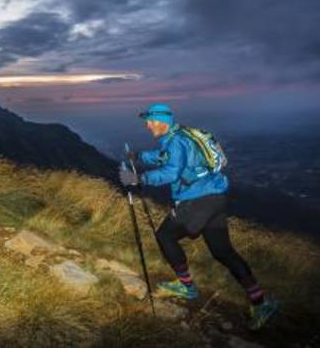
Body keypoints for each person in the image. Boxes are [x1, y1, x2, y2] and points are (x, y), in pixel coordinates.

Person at [118, 103, 278, 330]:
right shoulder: (181, 134)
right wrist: (139, 156)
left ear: (162, 121)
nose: (147, 125)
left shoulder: (175, 141)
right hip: (216, 198)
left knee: (165, 236)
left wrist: (139, 180)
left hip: (197, 201)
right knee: (223, 252)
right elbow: (166, 157)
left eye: (150, 121)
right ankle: (261, 303)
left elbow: (171, 171)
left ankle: (187, 287)